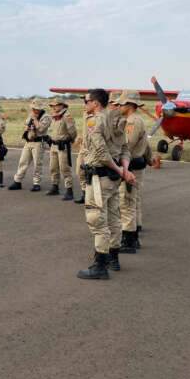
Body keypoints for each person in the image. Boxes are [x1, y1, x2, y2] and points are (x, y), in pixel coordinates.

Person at [77, 89, 135, 279]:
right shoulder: (116, 121)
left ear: (95, 103)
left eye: (86, 101)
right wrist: (124, 171)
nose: (85, 104)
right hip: (113, 178)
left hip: (100, 178)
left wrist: (120, 171)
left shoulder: (95, 121)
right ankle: (114, 259)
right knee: (114, 218)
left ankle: (99, 266)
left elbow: (101, 153)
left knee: (97, 219)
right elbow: (126, 150)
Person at [117, 91, 150, 253]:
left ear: (130, 105)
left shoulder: (132, 122)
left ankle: (129, 240)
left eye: (122, 104)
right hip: (135, 164)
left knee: (127, 202)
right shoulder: (132, 120)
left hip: (131, 166)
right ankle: (133, 237)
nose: (119, 106)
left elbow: (127, 145)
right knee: (132, 201)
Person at [8, 99, 51, 192]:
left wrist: (35, 119)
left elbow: (41, 129)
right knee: (23, 162)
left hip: (39, 143)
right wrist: (27, 127)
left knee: (37, 164)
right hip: (29, 141)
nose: (34, 110)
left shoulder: (46, 117)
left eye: (35, 108)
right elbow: (25, 125)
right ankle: (17, 181)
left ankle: (36, 183)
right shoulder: (31, 115)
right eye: (33, 108)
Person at [47, 96, 77, 200]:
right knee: (53, 167)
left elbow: (72, 131)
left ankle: (69, 190)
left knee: (65, 169)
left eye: (57, 105)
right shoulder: (54, 116)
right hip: (53, 145)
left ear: (62, 105)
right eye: (53, 105)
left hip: (62, 146)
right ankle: (55, 186)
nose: (54, 107)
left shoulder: (66, 116)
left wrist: (69, 140)